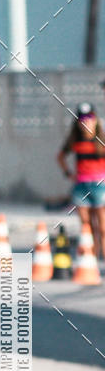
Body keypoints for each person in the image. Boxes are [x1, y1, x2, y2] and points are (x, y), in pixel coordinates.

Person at [57, 102, 105, 259]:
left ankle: (103, 253)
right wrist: (68, 173)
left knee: (102, 226)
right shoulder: (75, 141)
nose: (86, 122)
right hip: (81, 186)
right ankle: (92, 253)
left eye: (89, 118)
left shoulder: (101, 140)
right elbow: (61, 156)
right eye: (82, 119)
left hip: (100, 185)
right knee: (86, 224)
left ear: (95, 120)